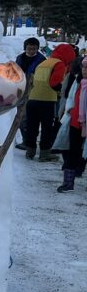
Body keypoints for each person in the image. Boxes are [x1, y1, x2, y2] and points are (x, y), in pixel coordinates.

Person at [19, 43, 76, 161]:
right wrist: (62, 92)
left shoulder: (44, 62)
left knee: (32, 126)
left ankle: (30, 151)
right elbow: (54, 83)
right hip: (46, 100)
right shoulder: (59, 64)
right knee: (46, 128)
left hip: (32, 99)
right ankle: (44, 153)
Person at [56, 54, 87, 191]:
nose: (85, 69)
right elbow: (70, 98)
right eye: (84, 67)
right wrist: (69, 110)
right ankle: (68, 183)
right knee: (71, 152)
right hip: (75, 124)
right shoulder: (78, 81)